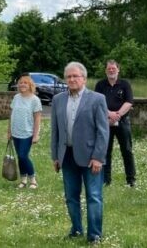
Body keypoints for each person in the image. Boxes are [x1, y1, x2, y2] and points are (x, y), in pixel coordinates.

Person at [50, 62, 109, 244]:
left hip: (91, 157)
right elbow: (55, 130)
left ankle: (94, 235)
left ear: (84, 78)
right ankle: (76, 229)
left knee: (94, 196)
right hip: (66, 156)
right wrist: (55, 156)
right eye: (68, 76)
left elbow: (103, 131)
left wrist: (98, 157)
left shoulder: (97, 99)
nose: (72, 79)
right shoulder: (58, 99)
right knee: (71, 197)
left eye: (76, 76)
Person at [94, 60, 136, 187]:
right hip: (105, 122)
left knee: (127, 150)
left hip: (122, 122)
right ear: (106, 71)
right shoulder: (100, 85)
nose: (111, 70)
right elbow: (97, 102)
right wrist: (109, 114)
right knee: (106, 151)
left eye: (113, 68)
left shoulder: (124, 85)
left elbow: (129, 102)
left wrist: (117, 115)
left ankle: (131, 180)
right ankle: (106, 180)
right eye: (109, 69)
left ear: (118, 70)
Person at [7, 74, 42, 189]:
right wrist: (9, 131)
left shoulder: (35, 100)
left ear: (30, 85)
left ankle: (33, 179)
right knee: (20, 156)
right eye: (21, 83)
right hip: (15, 132)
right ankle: (23, 180)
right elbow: (11, 115)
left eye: (25, 83)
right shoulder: (16, 97)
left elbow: (37, 118)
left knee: (23, 156)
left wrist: (36, 135)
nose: (22, 84)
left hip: (27, 133)